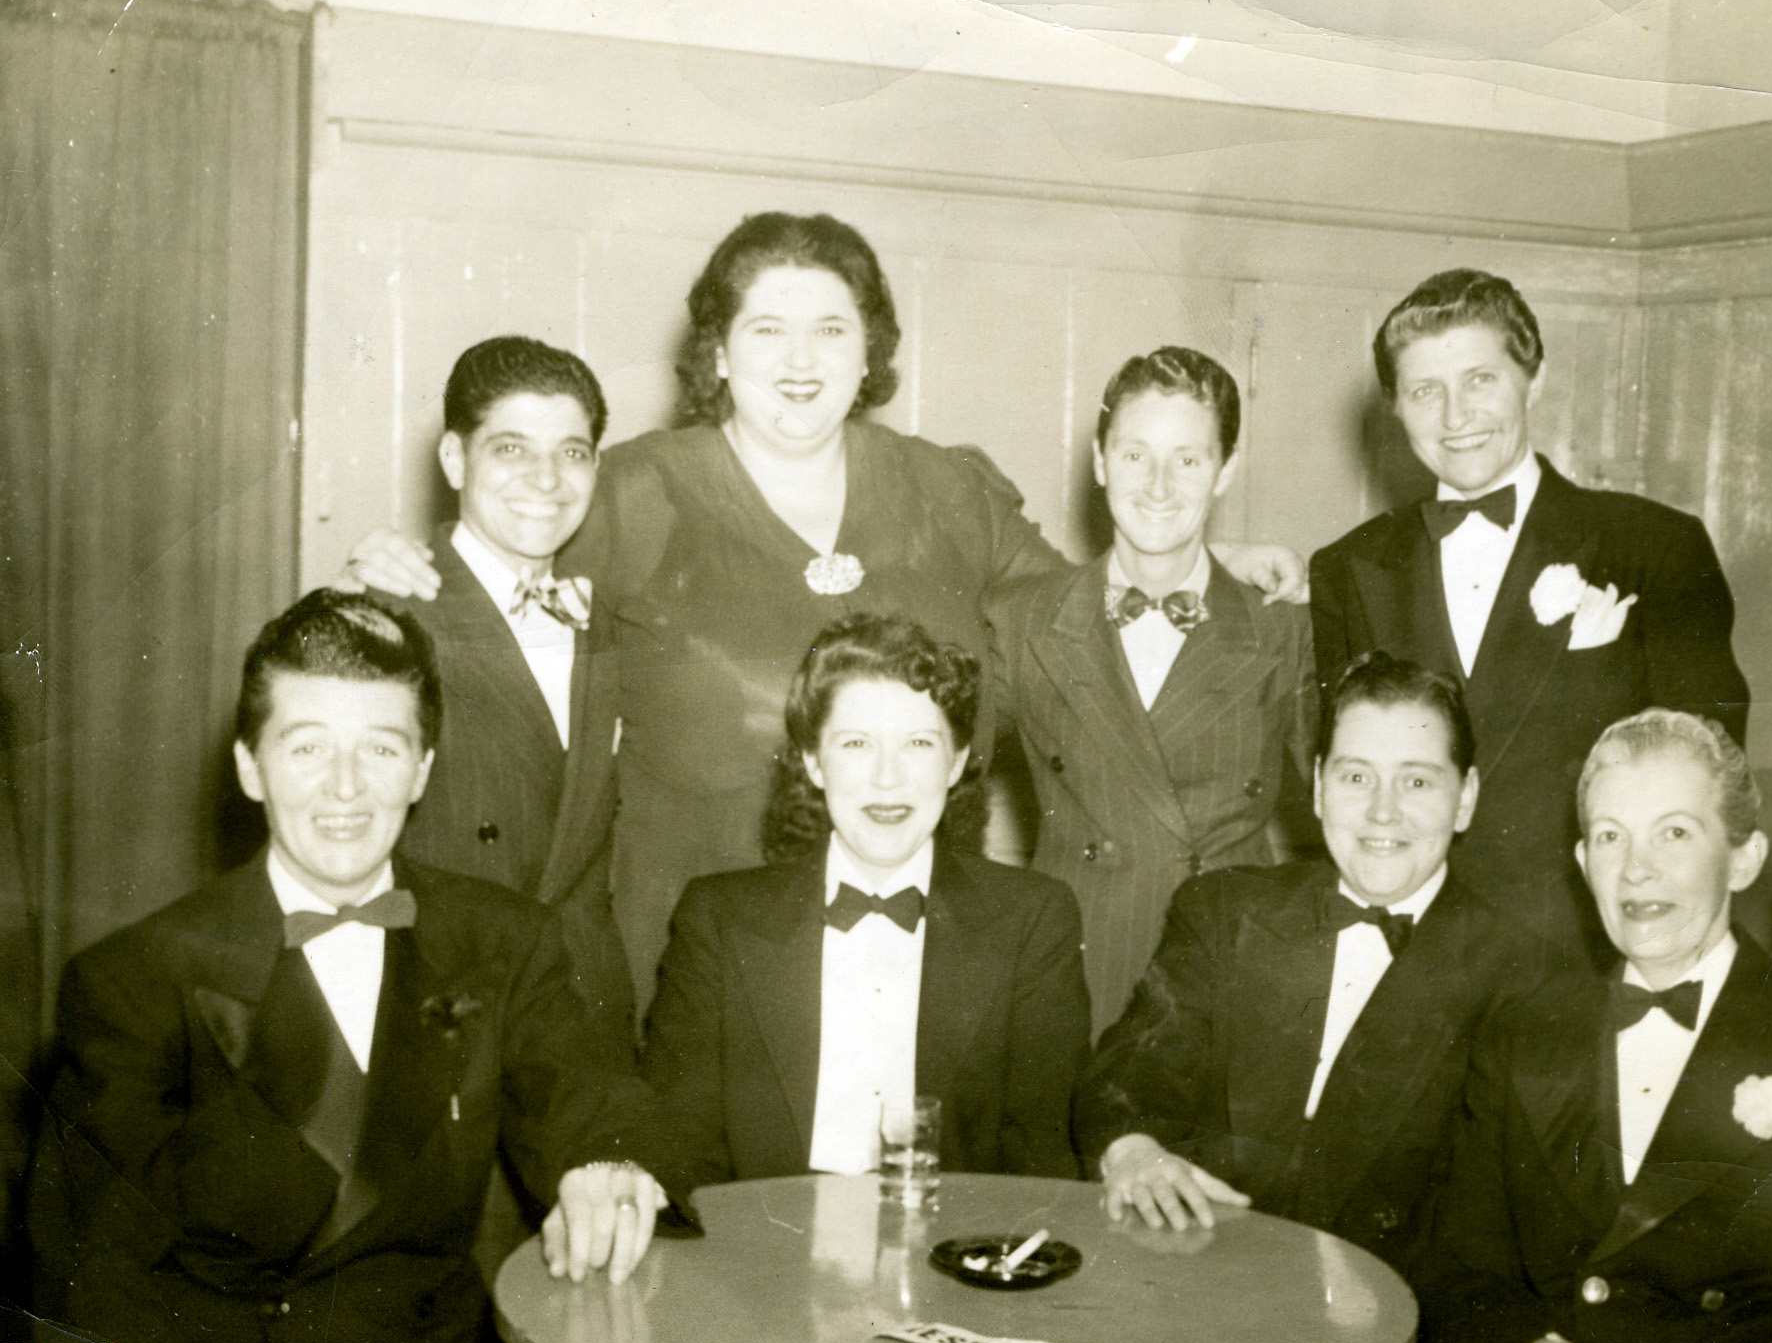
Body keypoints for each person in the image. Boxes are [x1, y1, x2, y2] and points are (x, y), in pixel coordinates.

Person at [346, 212, 1305, 1011]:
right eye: (768, 329)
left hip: (915, 953)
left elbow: (1086, 615)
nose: (801, 360)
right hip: (685, 960)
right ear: (717, 352)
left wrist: (1202, 563)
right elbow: (496, 588)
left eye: (833, 329)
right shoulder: (633, 492)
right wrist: (402, 568)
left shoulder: (946, 489)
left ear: (871, 351)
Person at [27, 591, 671, 1343]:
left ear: (423, 769)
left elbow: (584, 1090)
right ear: (249, 767)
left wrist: (604, 1160)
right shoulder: (132, 978)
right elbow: (94, 1278)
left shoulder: (504, 936)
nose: (345, 785)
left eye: (381, 748)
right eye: (307, 747)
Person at [1419, 709, 1772, 1343]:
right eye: (1612, 837)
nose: (1636, 869)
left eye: (1673, 832)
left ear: (1744, 858)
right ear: (1584, 862)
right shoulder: (1518, 1037)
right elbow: (1458, 1271)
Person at [1309, 269, 1749, 961]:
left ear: (1533, 380)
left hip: (1580, 959)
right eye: (1426, 390)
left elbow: (1707, 782)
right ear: (1395, 406)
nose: (1456, 417)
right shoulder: (1347, 567)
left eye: (1480, 379)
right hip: (1406, 959)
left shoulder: (1654, 547)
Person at [1073, 652, 1556, 1280]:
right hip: (1200, 1286)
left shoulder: (1523, 973)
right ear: (1320, 786)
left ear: (1465, 799)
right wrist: (1133, 1151)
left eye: (1416, 781)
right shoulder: (1224, 909)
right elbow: (1128, 1074)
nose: (1383, 812)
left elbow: (1495, 1232)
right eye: (1357, 777)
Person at [638, 613, 1088, 1199]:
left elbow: (1040, 1157)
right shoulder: (718, 918)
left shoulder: (1032, 917)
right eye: (856, 744)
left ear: (956, 764)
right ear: (812, 762)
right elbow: (679, 1143)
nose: (886, 778)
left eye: (918, 745)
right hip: (761, 1251)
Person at [986, 347, 1316, 1033]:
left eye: (1188, 459)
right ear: (1101, 463)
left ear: (1225, 470)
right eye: (1135, 455)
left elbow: (1359, 804)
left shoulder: (1284, 628)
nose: (1159, 484)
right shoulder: (1023, 620)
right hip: (1075, 971)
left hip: (1235, 973)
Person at [382, 335, 635, 1056]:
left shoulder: (606, 617)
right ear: (456, 459)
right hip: (447, 1015)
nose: (547, 479)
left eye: (573, 451)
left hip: (584, 1017)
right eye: (512, 449)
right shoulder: (392, 609)